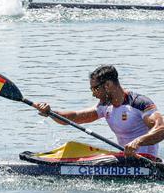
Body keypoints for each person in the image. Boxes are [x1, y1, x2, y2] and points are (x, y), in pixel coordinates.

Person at [34, 65, 164, 158]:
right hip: (125, 158)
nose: (93, 94)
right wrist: (51, 112)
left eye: (95, 89)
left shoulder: (139, 103)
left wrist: (138, 142)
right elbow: (75, 117)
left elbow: (161, 129)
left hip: (145, 160)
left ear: (107, 85)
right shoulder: (105, 106)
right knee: (72, 147)